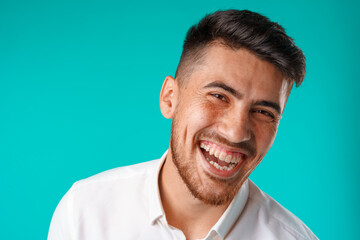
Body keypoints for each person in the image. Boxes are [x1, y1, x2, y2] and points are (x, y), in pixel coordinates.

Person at [48, 9, 318, 240]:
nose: (236, 132)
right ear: (169, 99)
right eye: (219, 96)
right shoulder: (84, 213)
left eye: (262, 111)